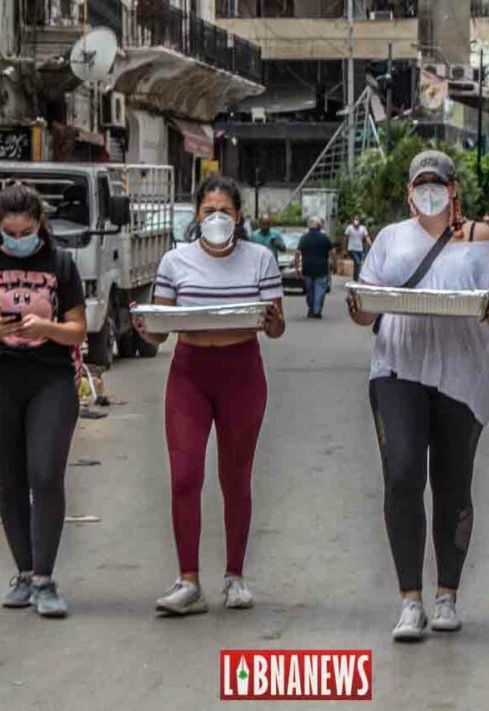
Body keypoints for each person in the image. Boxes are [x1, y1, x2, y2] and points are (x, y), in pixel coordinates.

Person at [348, 151, 489, 641]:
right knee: (401, 476)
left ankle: (446, 594)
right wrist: (358, 306)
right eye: (419, 185)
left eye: (436, 184)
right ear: (408, 192)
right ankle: (409, 602)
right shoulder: (389, 239)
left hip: (462, 374)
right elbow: (366, 307)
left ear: (453, 189)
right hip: (397, 367)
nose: (428, 193)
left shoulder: (481, 240)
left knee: (452, 483)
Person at [135, 175, 286, 616]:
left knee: (235, 479)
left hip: (242, 373)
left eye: (225, 211)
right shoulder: (175, 261)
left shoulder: (260, 259)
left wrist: (273, 318)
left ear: (239, 217)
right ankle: (188, 581)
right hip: (190, 375)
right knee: (184, 476)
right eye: (208, 211)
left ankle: (235, 577)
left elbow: (275, 328)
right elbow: (160, 330)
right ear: (196, 215)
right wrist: (147, 328)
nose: (216, 218)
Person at [0, 184, 86, 618]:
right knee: (10, 481)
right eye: (9, 232)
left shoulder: (61, 264)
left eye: (25, 230)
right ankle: (24, 574)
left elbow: (78, 330)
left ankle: (46, 579)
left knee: (45, 474)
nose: (17, 239)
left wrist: (46, 329)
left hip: (51, 380)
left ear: (39, 225)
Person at [296, 216, 335, 319]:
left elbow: (297, 253)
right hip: (321, 268)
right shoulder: (324, 238)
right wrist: (334, 264)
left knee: (309, 290)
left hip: (307, 268)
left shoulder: (304, 238)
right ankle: (316, 310)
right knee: (320, 290)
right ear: (319, 226)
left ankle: (311, 307)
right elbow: (332, 252)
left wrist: (297, 268)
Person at [344, 214, 370, 280]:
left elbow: (366, 237)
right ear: (353, 221)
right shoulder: (349, 228)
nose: (356, 221)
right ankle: (355, 279)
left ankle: (357, 277)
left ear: (359, 221)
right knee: (357, 261)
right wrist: (345, 249)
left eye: (357, 219)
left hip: (359, 249)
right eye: (355, 219)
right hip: (351, 249)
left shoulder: (363, 228)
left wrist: (370, 243)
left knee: (359, 264)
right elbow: (345, 238)